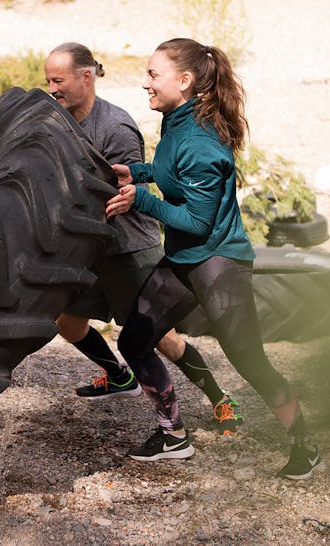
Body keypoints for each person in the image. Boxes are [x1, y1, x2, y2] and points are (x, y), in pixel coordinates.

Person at [104, 37, 320, 479]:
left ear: (183, 81)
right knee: (133, 339)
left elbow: (197, 222)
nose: (145, 83)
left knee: (248, 359)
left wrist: (138, 201)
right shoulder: (177, 120)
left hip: (219, 261)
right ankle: (173, 436)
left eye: (152, 74)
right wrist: (138, 173)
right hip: (185, 259)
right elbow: (172, 172)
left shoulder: (201, 141)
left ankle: (305, 443)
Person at [44, 42, 244, 434]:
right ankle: (118, 376)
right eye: (48, 80)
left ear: (87, 77)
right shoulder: (62, 122)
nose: (51, 87)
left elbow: (120, 194)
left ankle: (220, 399)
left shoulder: (113, 127)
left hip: (128, 251)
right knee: (66, 320)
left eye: (58, 80)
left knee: (161, 341)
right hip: (90, 251)